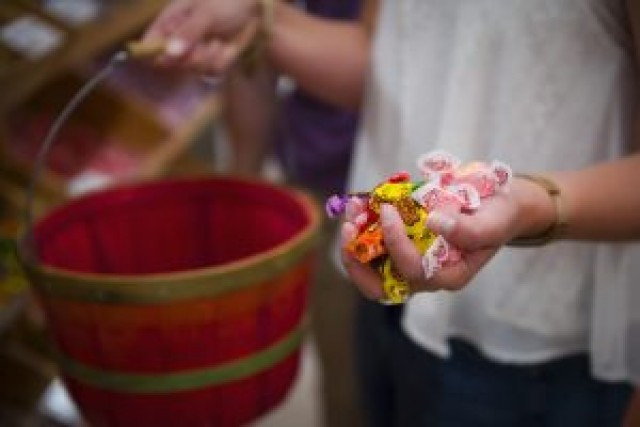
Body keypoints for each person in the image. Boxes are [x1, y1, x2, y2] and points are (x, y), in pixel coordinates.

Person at [144, 0, 640, 425]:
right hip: (387, 294)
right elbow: (389, 59)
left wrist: (533, 205)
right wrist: (261, 19)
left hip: (526, 344)